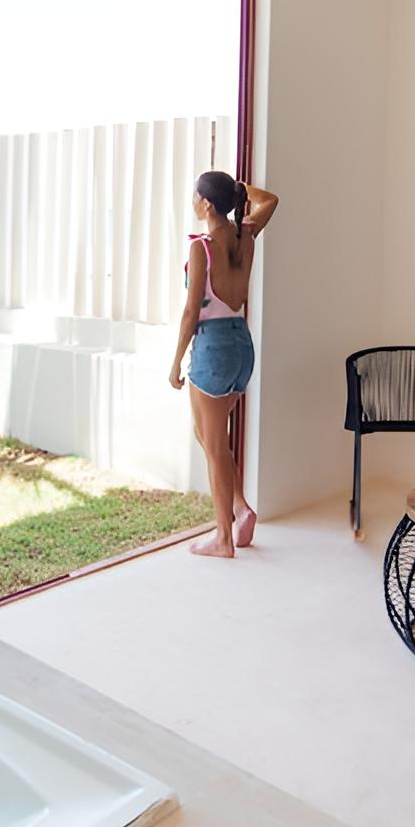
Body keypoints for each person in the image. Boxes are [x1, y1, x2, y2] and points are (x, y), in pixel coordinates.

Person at [169, 170, 278, 557]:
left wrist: (175, 362)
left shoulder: (202, 248)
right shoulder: (245, 234)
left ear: (206, 204)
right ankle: (240, 509)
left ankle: (223, 539)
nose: (192, 202)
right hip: (241, 346)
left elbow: (190, 313)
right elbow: (271, 201)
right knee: (210, 436)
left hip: (213, 348)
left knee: (214, 447)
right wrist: (240, 192)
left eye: (195, 196)